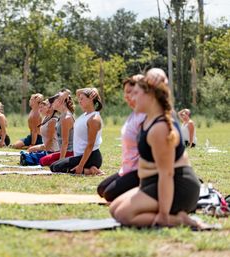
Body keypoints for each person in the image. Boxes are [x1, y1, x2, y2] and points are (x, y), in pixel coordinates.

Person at [109, 69, 202, 228]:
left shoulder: (160, 128)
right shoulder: (148, 120)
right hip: (151, 182)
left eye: (136, 93)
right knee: (114, 209)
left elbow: (167, 173)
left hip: (178, 186)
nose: (131, 97)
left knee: (123, 214)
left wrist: (163, 215)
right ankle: (176, 216)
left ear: (150, 95)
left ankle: (178, 220)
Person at [97, 75, 145, 200]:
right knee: (101, 189)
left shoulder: (145, 117)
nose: (126, 96)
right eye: (125, 93)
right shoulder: (133, 114)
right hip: (127, 169)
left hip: (140, 171)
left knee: (109, 194)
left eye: (130, 92)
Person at [50, 88, 103, 175]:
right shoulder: (85, 115)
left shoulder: (94, 119)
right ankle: (89, 168)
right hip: (79, 155)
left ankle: (90, 170)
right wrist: (92, 90)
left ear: (91, 99)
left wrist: (81, 166)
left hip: (91, 157)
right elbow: (78, 91)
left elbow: (90, 145)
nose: (79, 101)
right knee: (53, 166)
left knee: (57, 167)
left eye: (82, 99)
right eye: (79, 99)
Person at [39, 90, 75, 166]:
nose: (51, 104)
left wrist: (61, 161)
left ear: (60, 102)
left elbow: (65, 142)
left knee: (43, 161)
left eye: (53, 101)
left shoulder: (66, 118)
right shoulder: (62, 115)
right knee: (43, 160)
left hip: (70, 152)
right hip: (65, 151)